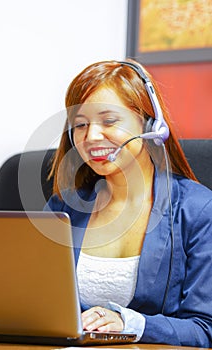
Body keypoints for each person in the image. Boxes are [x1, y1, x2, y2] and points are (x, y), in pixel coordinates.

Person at [44, 59, 212, 347]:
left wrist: (129, 324)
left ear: (150, 123)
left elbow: (205, 329)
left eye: (109, 121)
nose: (92, 136)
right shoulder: (63, 208)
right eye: (80, 125)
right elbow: (34, 302)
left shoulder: (197, 210)